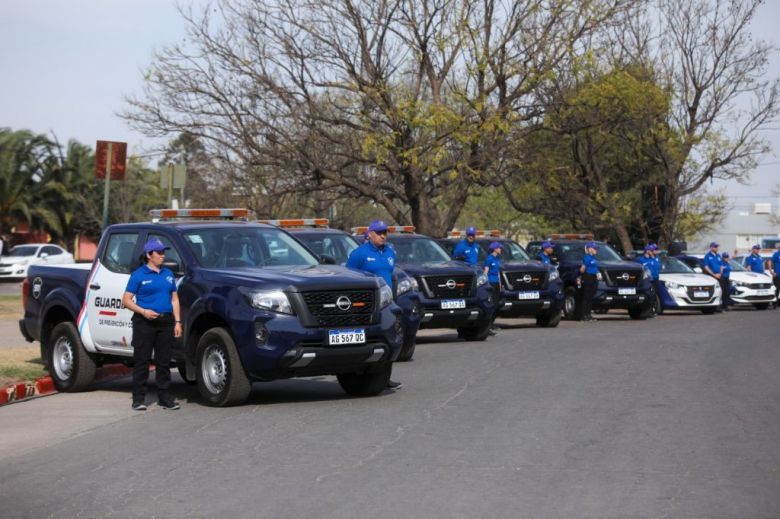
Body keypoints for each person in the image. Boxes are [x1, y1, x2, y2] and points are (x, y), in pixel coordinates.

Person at [122, 238, 182, 410]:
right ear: (149, 255)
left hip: (166, 322)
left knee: (164, 362)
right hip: (144, 323)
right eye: (159, 252)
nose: (163, 255)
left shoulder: (168, 274)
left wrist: (177, 322)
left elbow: (174, 299)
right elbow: (126, 300)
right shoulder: (138, 275)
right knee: (142, 361)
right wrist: (143, 311)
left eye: (164, 252)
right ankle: (138, 399)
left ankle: (165, 398)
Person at [346, 220, 402, 389]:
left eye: (385, 232)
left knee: (388, 338)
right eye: (379, 232)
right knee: (369, 339)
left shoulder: (390, 253)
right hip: (366, 305)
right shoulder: (359, 254)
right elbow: (348, 277)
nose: (383, 235)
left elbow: (391, 276)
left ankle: (384, 378)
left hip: (387, 303)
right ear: (369, 234)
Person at [483, 241, 503, 335]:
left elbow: (498, 273)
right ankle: (487, 327)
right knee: (491, 305)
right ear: (495, 249)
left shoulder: (497, 259)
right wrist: (486, 284)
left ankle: (491, 324)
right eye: (499, 248)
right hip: (491, 283)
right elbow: (485, 272)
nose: (500, 249)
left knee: (496, 305)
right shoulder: (489, 259)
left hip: (496, 284)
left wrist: (500, 284)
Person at [702, 241, 728, 312]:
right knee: (715, 291)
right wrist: (714, 275)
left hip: (719, 275)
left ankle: (722, 306)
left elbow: (721, 266)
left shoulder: (718, 256)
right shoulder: (707, 256)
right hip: (712, 276)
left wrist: (720, 273)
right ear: (711, 247)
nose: (717, 248)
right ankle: (715, 306)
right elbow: (706, 267)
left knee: (722, 291)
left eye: (717, 247)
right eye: (715, 247)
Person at [579, 242, 601, 321]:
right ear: (590, 249)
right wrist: (582, 276)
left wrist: (598, 273)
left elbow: (595, 267)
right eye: (595, 248)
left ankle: (588, 315)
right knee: (586, 297)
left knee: (590, 297)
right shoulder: (587, 257)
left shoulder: (593, 258)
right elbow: (582, 269)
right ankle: (583, 315)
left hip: (593, 277)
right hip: (588, 277)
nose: (596, 250)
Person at [637, 244, 660, 316]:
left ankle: (652, 310)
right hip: (646, 281)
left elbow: (657, 267)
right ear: (647, 251)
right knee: (648, 295)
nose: (654, 251)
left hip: (654, 280)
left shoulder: (654, 259)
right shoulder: (641, 259)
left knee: (653, 296)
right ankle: (646, 311)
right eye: (652, 250)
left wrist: (653, 257)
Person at [771, 244, 780, 309]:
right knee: (777, 289)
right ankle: (775, 304)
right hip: (777, 275)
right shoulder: (776, 254)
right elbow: (770, 262)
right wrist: (772, 271)